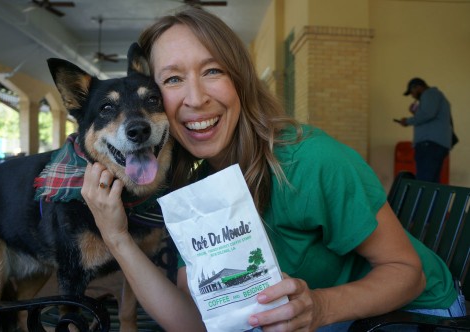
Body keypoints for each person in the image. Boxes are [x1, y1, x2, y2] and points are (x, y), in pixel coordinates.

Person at [81, 8, 465, 331]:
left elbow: (407, 271)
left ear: (241, 80)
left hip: (418, 315)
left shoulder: (310, 162)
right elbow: (195, 322)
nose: (195, 99)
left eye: (213, 71)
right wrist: (116, 236)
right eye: (173, 79)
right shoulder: (201, 188)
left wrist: (319, 307)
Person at [396, 78, 454, 183]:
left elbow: (427, 114)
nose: (412, 96)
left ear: (418, 87)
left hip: (429, 145)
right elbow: (428, 115)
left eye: (412, 92)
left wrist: (407, 121)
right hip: (436, 145)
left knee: (424, 181)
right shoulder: (437, 96)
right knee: (432, 181)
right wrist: (416, 113)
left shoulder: (429, 93)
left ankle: (423, 200)